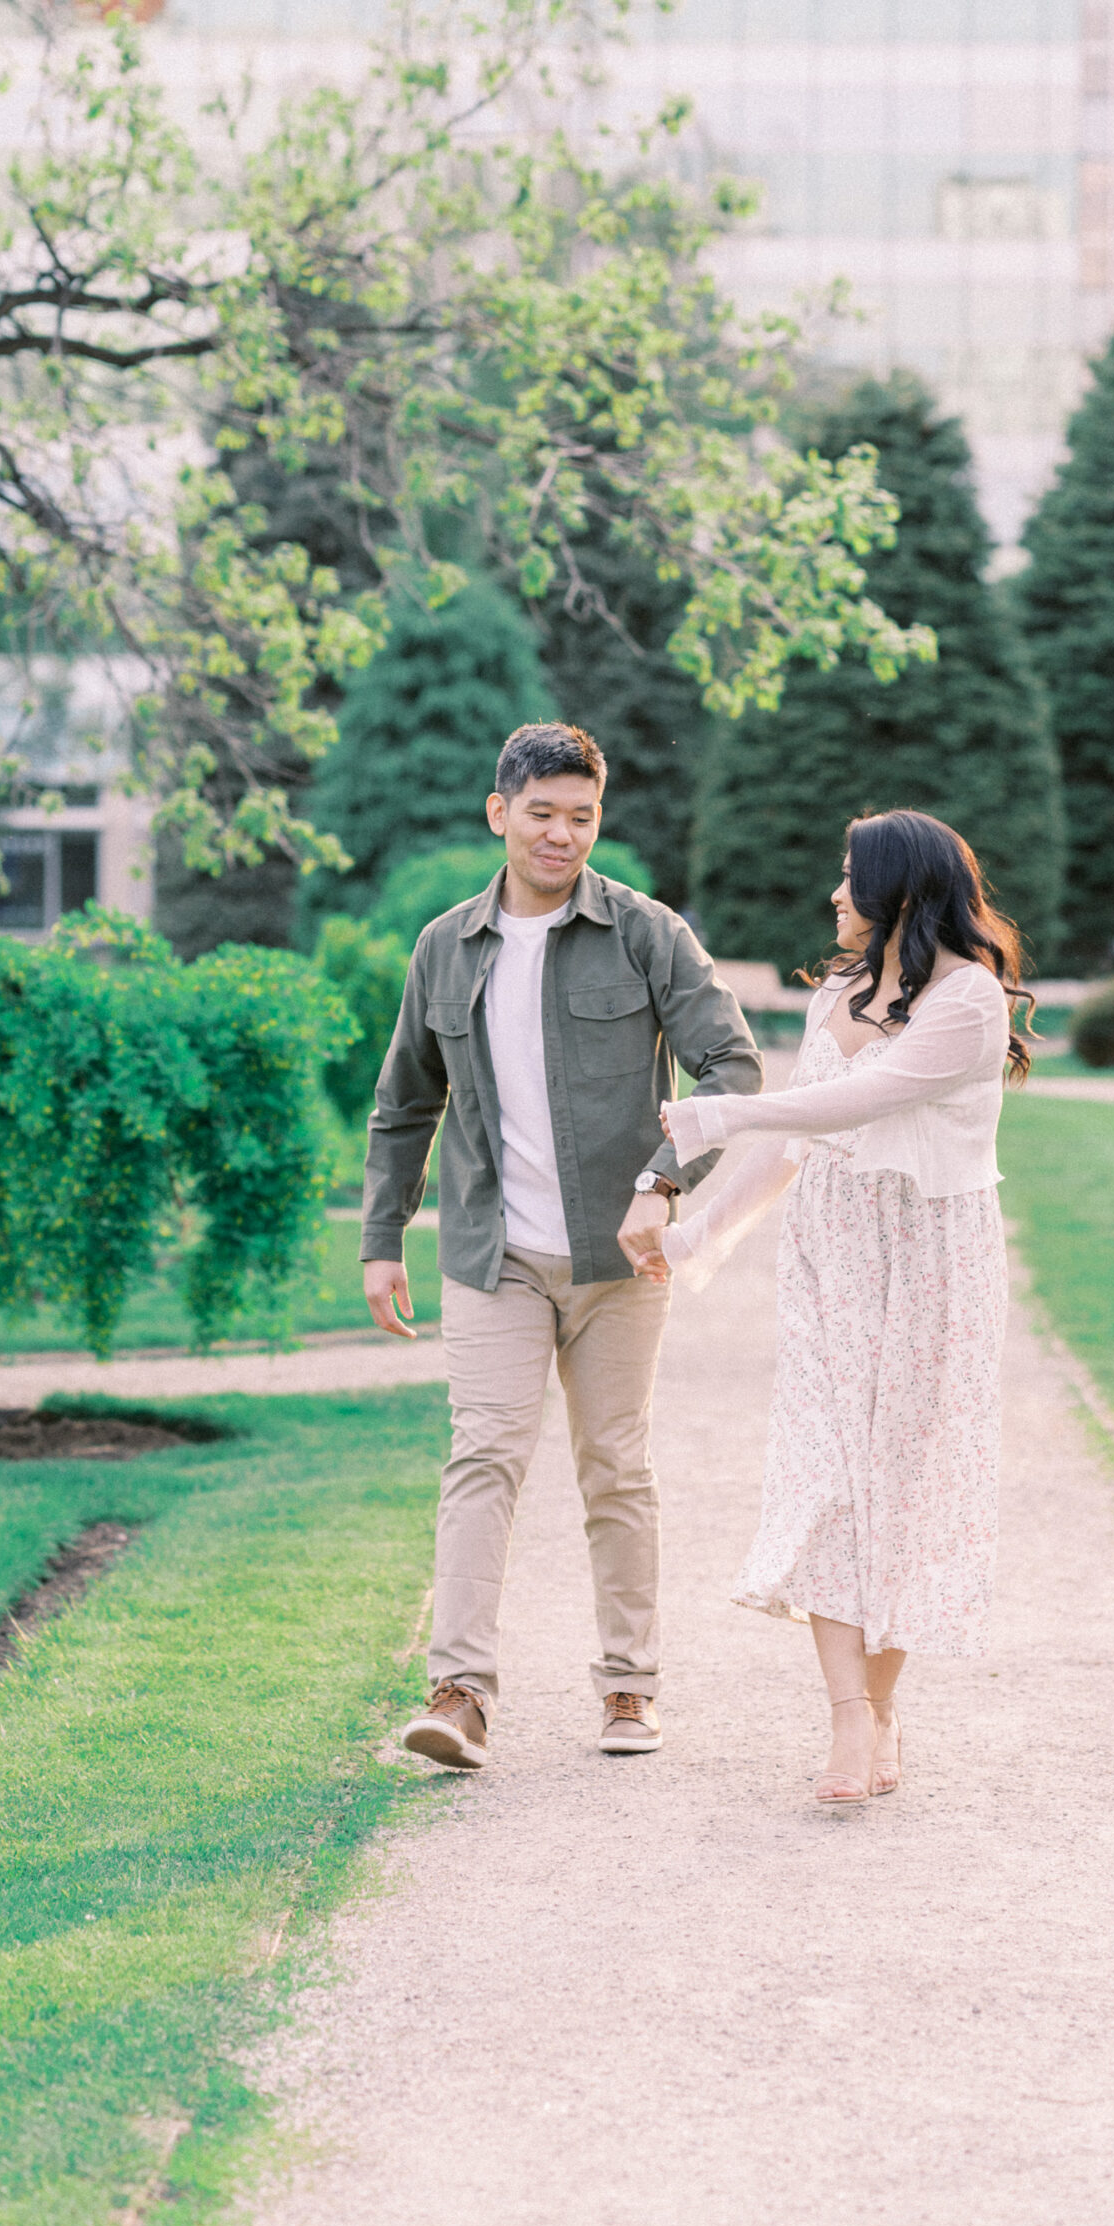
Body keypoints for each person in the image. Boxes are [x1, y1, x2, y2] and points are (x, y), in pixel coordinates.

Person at [361, 721, 762, 1771]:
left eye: (581, 816)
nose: (562, 835)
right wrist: (381, 1236)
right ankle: (459, 1694)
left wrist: (662, 1183)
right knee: (482, 1456)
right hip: (495, 1253)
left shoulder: (646, 932)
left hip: (617, 1262)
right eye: (542, 813)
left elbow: (733, 1070)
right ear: (500, 812)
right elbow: (405, 1102)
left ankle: (629, 1689)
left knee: (614, 1464)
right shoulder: (445, 947)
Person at [653, 810, 1029, 1808]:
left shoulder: (969, 1002)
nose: (833, 895)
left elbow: (855, 1104)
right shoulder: (838, 993)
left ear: (900, 890)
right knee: (826, 1473)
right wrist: (702, 1231)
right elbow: (793, 1145)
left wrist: (721, 1107)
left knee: (903, 1488)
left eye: (848, 876)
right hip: (834, 1253)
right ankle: (848, 1719)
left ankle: (884, 1703)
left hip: (931, 1260)